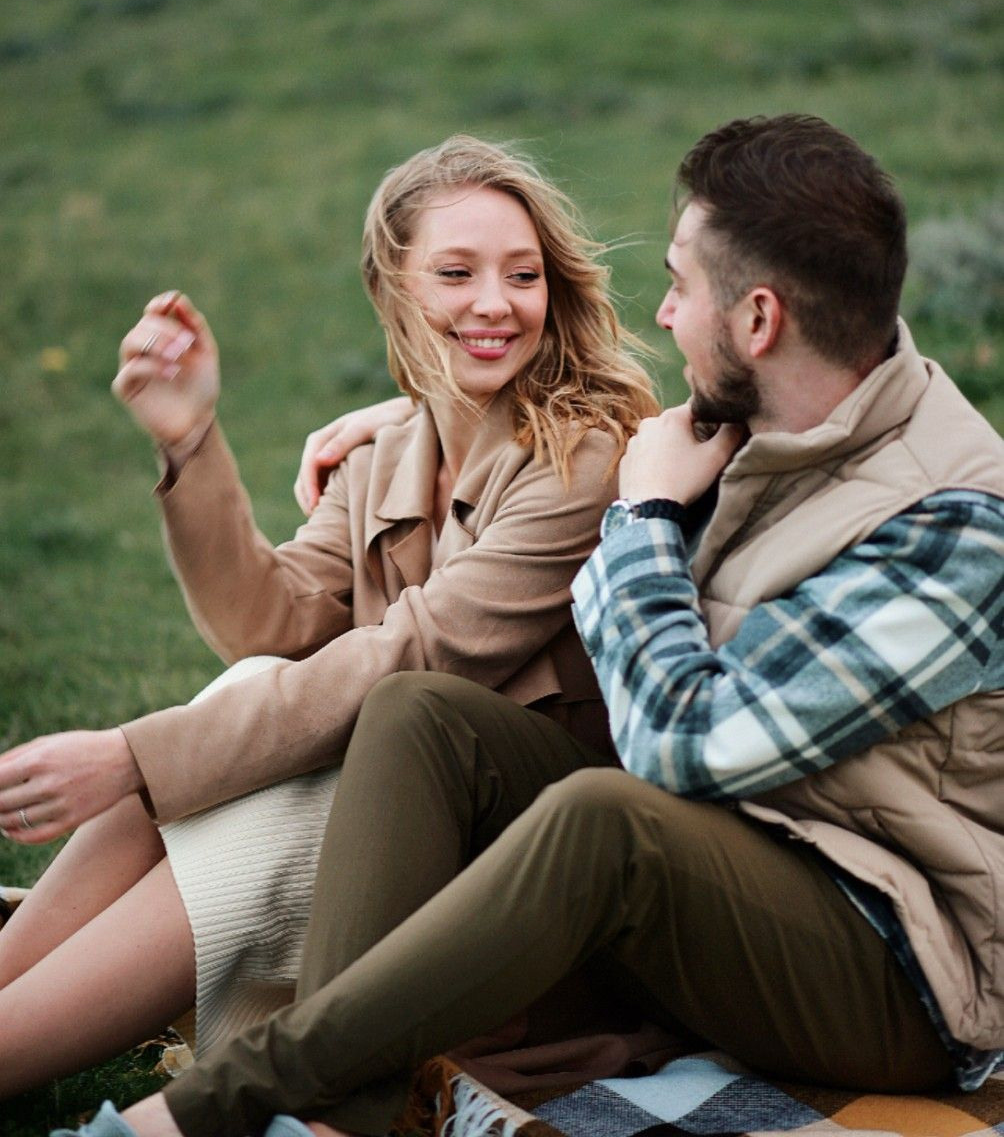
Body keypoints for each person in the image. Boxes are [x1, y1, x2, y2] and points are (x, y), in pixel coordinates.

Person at [66, 112, 1003, 1137]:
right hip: (731, 871)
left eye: (681, 287)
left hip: (898, 969)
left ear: (760, 320)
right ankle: (342, 1117)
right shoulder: (760, 421)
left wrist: (643, 521)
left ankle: (202, 1110)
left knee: (602, 818)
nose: (661, 310)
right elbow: (305, 601)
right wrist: (412, 414)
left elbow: (679, 750)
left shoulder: (953, 527)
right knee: (422, 712)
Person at [0, 135, 658, 1098]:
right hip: (410, 826)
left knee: (288, 800)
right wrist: (193, 443)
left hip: (527, 881)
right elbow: (271, 625)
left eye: (523, 275)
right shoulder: (388, 451)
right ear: (394, 290)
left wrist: (131, 757)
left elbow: (416, 658)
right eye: (456, 273)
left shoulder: (582, 460)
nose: (495, 303)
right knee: (256, 690)